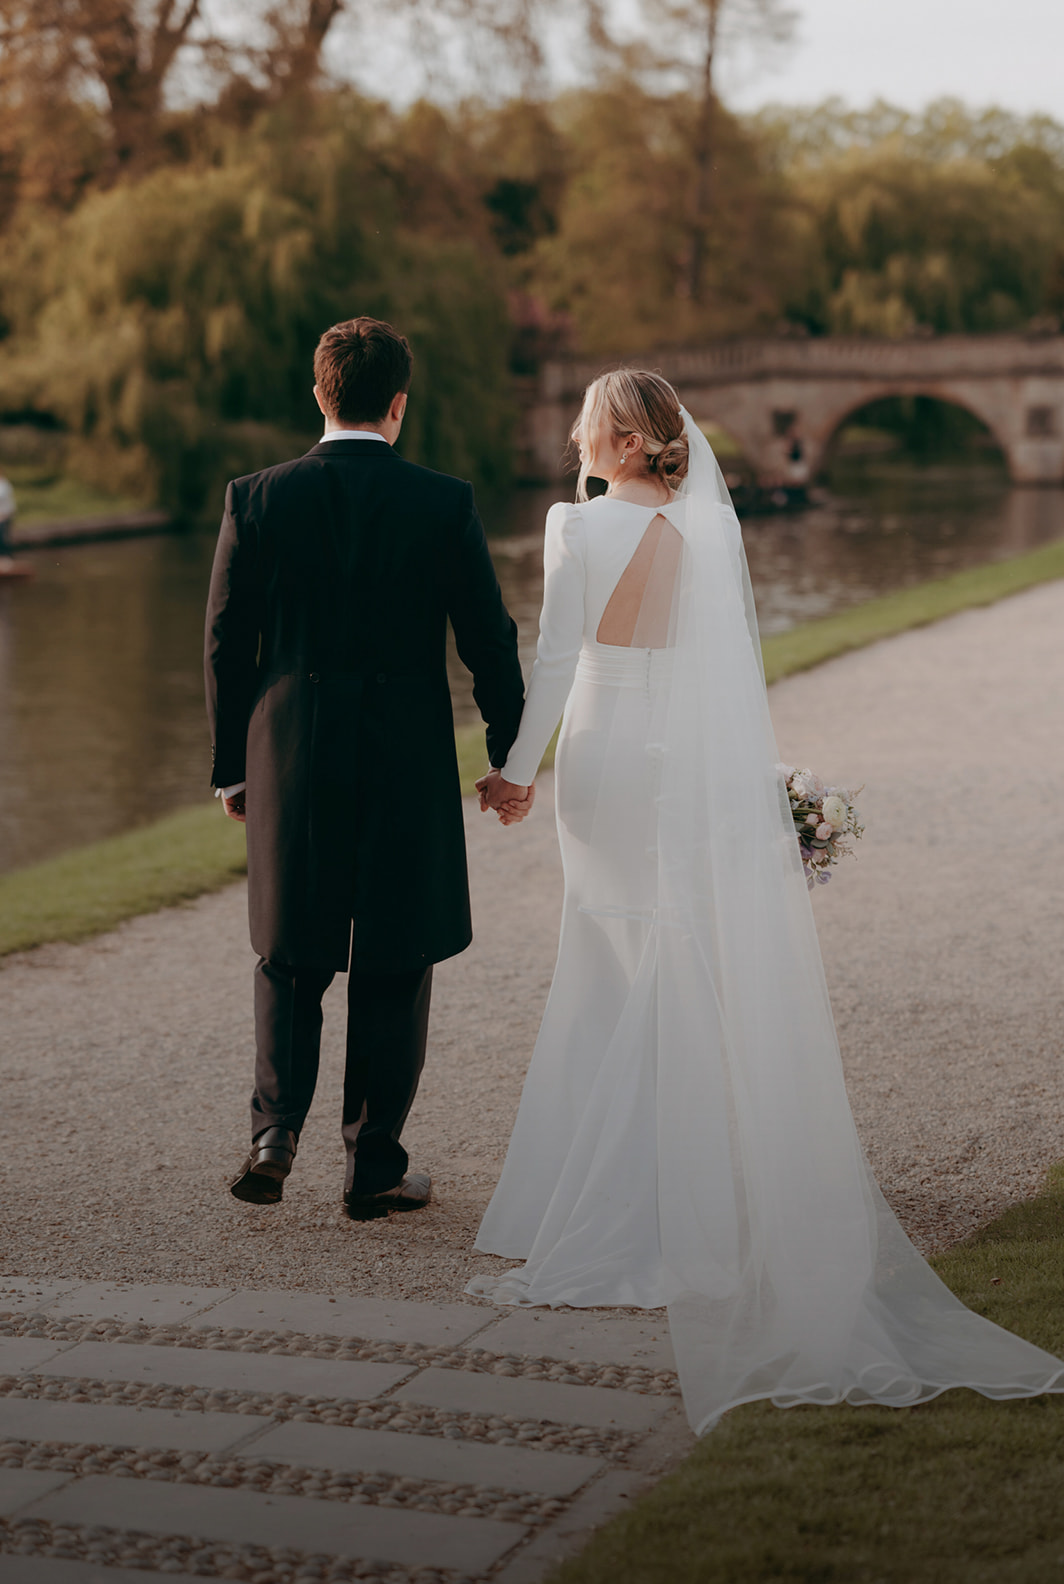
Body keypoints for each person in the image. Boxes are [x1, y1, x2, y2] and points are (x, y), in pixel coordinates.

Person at [471, 368, 1064, 1432]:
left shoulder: (571, 528)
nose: (568, 433)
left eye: (583, 422)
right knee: (675, 951)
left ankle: (607, 1195)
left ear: (612, 436)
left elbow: (556, 660)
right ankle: (706, 1188)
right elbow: (728, 671)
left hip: (604, 761)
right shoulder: (711, 532)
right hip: (680, 765)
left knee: (604, 952)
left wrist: (517, 768)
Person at [205, 317, 528, 1218]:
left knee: (289, 952)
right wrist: (511, 750)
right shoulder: (443, 501)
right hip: (403, 755)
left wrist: (233, 769)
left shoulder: (255, 497)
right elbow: (487, 639)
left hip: (290, 754)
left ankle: (275, 1134)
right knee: (394, 955)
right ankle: (373, 1166)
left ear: (319, 394)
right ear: (399, 404)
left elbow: (228, 646)